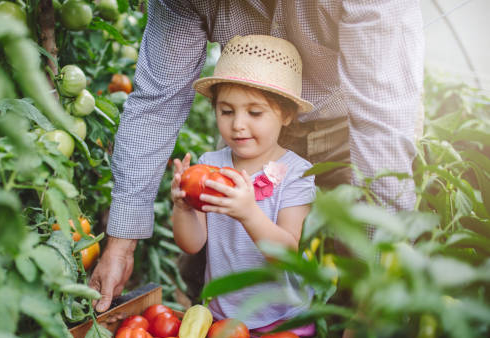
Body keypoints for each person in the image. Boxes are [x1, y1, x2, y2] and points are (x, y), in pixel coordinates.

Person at [89, 0, 424, 312]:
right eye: (225, 111)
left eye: (246, 112)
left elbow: (381, 129)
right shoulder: (225, 152)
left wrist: (377, 296)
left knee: (355, 269)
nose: (236, 123)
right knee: (204, 265)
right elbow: (156, 106)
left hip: (347, 132)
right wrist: (122, 243)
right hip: (258, 134)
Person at [171, 35, 316, 333]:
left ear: (286, 114)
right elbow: (192, 243)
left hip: (282, 321)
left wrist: (249, 213)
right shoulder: (210, 164)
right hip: (222, 316)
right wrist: (183, 208)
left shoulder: (296, 173)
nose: (238, 124)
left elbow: (287, 254)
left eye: (254, 112)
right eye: (226, 111)